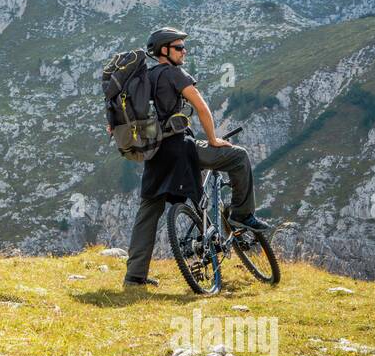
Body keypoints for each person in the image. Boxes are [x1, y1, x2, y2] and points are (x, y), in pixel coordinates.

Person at [116, 27, 271, 289]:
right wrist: (213, 140)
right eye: (178, 47)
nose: (184, 51)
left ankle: (134, 277)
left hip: (154, 153)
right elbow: (200, 106)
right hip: (180, 148)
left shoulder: (143, 79)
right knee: (239, 157)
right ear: (164, 51)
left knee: (148, 212)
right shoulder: (175, 74)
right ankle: (242, 215)